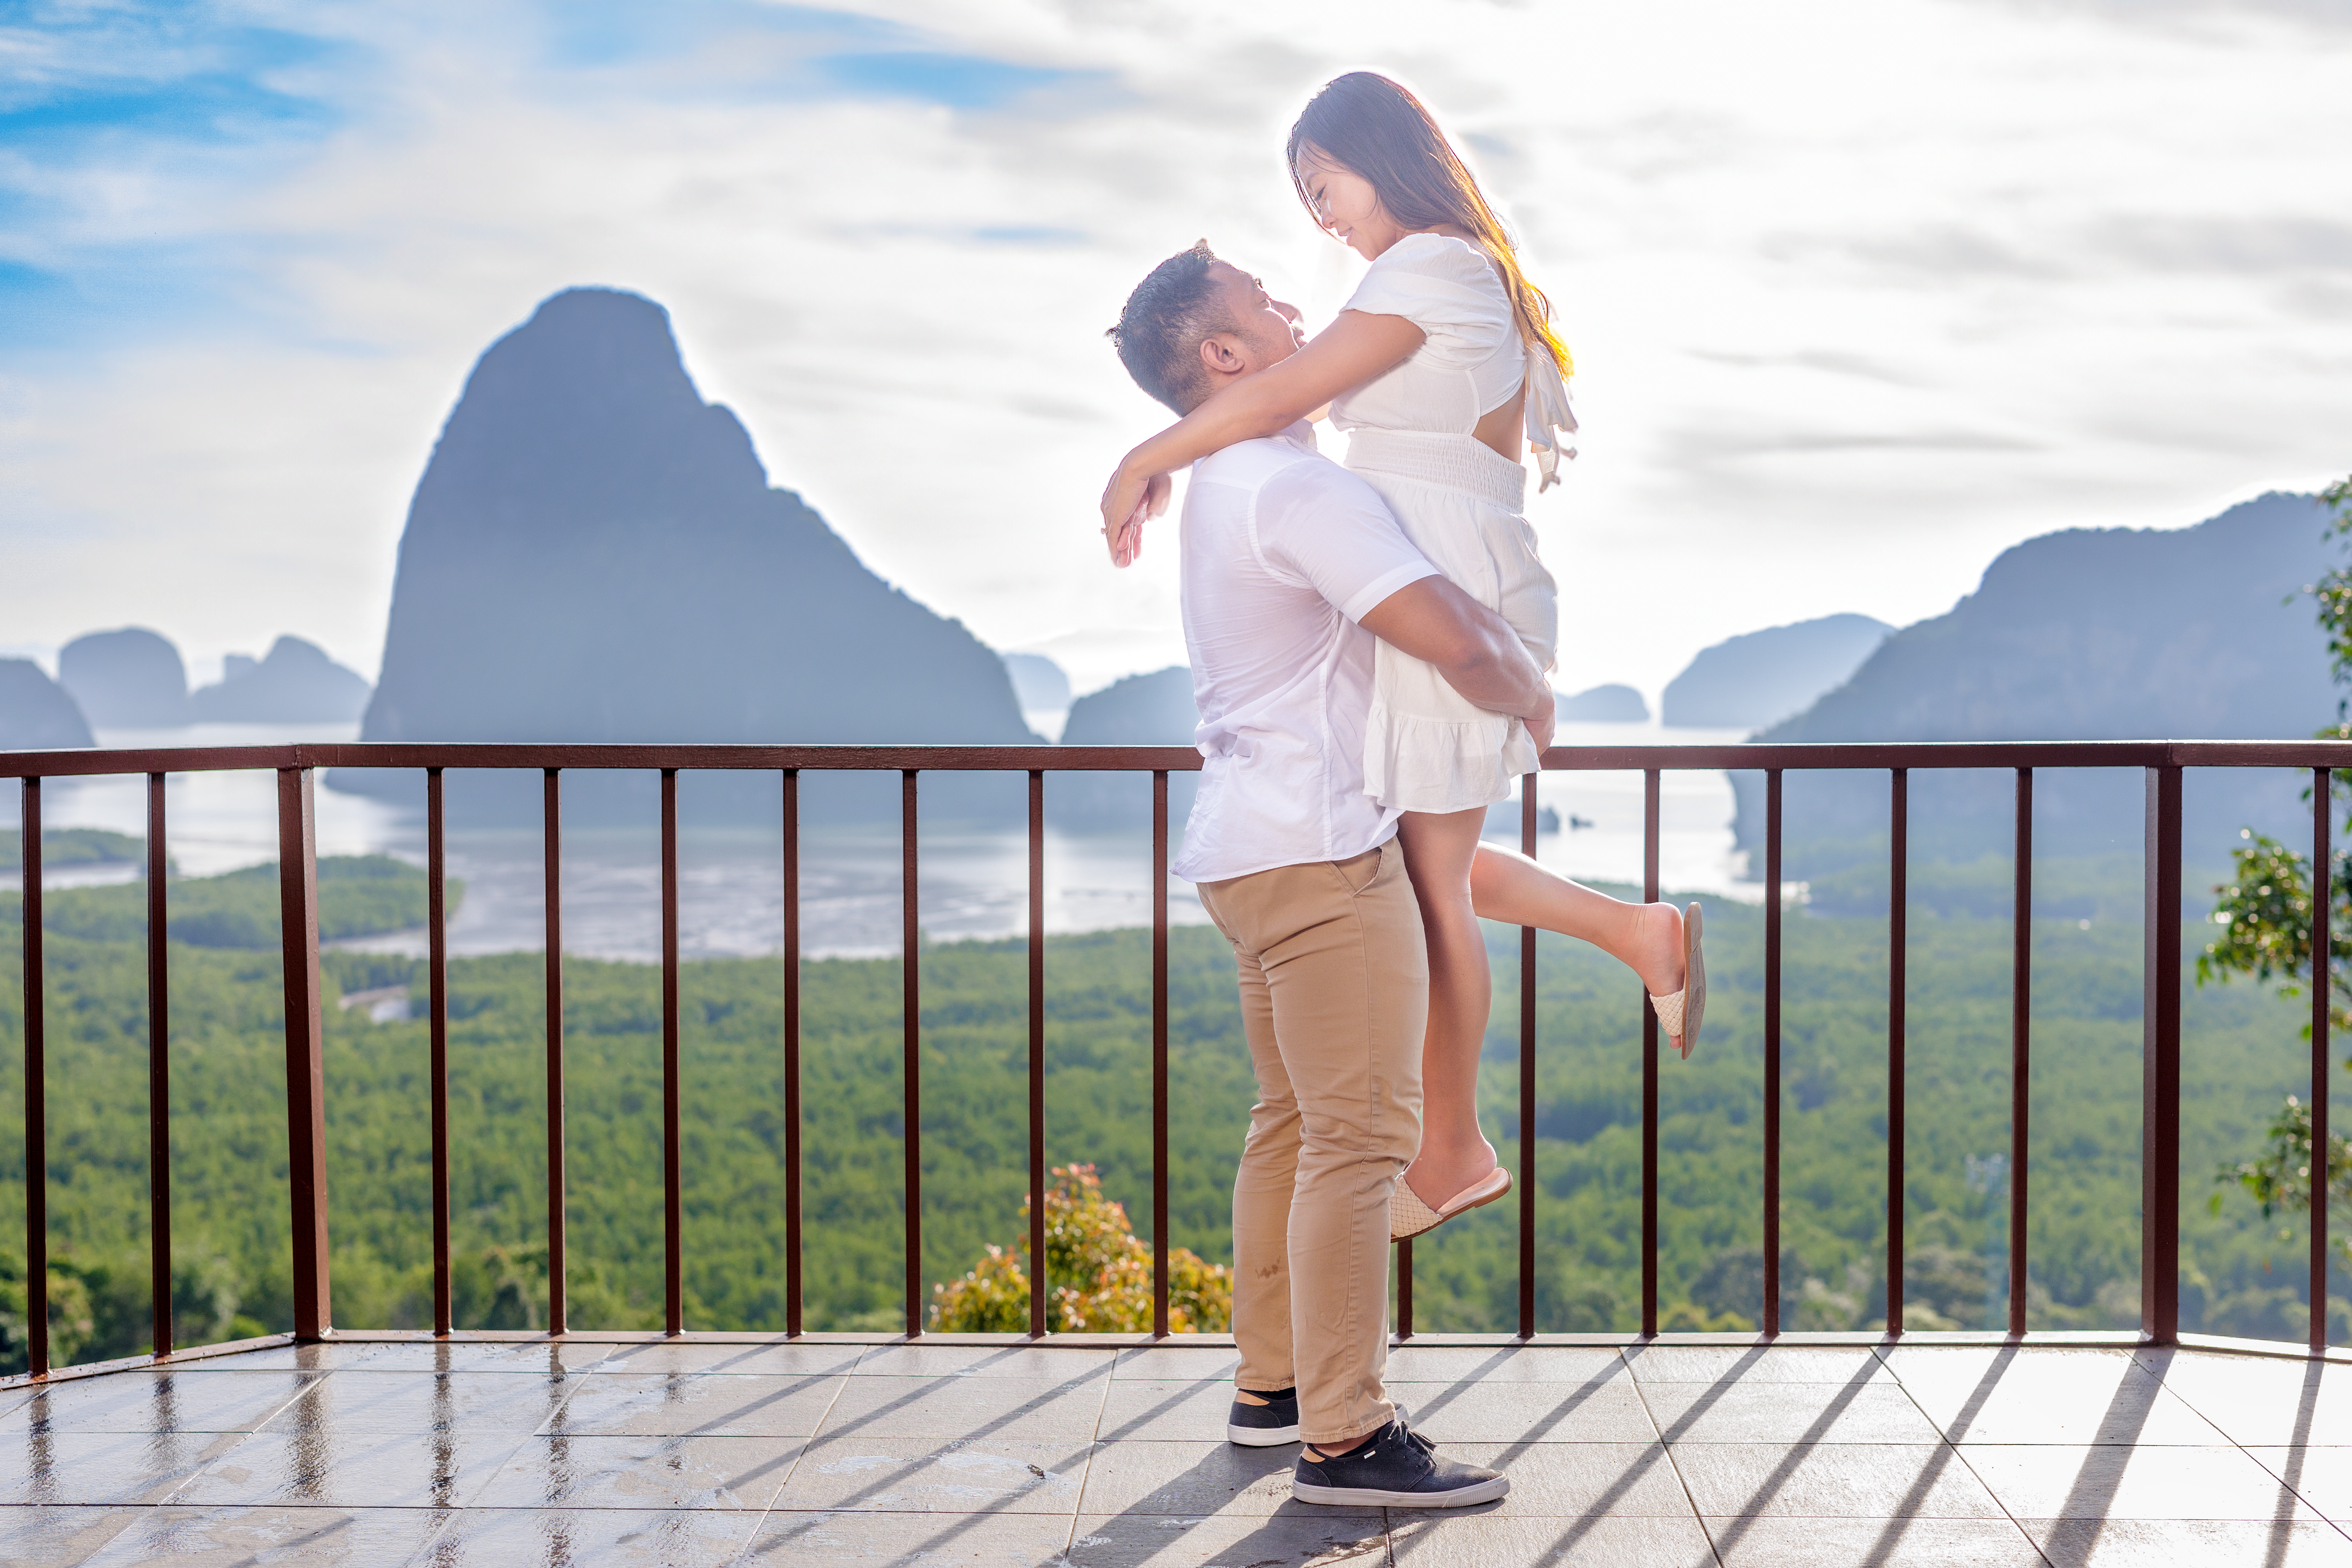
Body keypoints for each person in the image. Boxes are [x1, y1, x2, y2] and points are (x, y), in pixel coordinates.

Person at [1099, 72, 1705, 1246]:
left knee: (1425, 888)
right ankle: (1639, 935)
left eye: (1325, 183)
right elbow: (1272, 395)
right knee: (1412, 858)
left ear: (1386, 156)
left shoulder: (1427, 266)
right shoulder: (1427, 273)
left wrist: (1140, 459)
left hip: (1453, 591)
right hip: (1446, 576)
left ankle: (1453, 1146)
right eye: (1306, 197)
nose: (1319, 215)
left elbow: (1275, 390)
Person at [1105, 242, 1540, 1508]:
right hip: (1321, 852)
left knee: (1292, 1128)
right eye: (1265, 301)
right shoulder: (1292, 489)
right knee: (1359, 1142)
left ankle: (1272, 1388)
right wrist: (1531, 688)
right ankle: (1345, 1441)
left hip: (1244, 850)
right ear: (1226, 358)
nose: (1299, 308)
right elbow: (1446, 633)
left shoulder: (1222, 484)